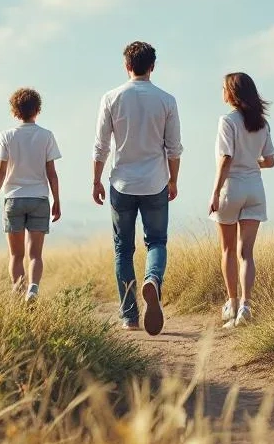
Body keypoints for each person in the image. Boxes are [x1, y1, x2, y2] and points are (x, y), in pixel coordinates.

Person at [92, 41, 183, 336]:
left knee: (123, 249)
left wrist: (96, 180)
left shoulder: (111, 97)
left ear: (126, 65)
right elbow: (174, 148)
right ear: (152, 66)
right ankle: (152, 280)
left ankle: (130, 316)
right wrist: (173, 180)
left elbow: (101, 145)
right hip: (155, 182)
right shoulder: (167, 100)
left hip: (122, 183)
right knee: (156, 241)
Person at [208, 72, 274, 329]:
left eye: (223, 88)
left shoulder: (227, 121)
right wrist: (251, 162)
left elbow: (225, 158)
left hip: (232, 188)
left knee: (228, 250)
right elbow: (269, 161)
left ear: (231, 93)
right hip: (255, 190)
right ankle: (246, 306)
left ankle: (232, 303)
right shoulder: (262, 123)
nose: (221, 92)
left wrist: (215, 192)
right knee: (246, 253)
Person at [0, 87, 62, 303]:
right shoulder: (46, 136)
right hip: (39, 199)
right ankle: (33, 289)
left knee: (16, 255)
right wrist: (56, 200)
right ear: (38, 109)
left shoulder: (6, 136)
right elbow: (52, 173)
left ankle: (19, 294)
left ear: (14, 111)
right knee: (35, 254)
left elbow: (0, 172)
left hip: (13, 199)